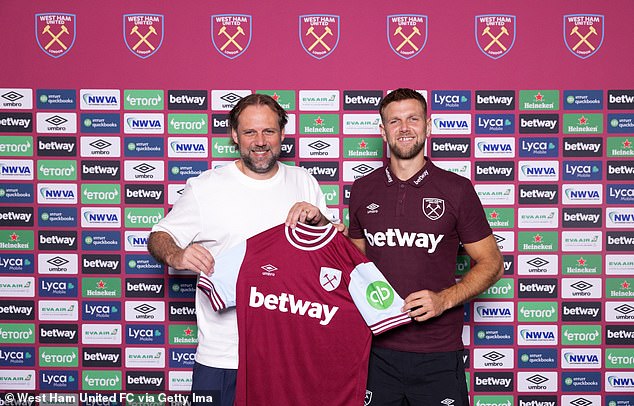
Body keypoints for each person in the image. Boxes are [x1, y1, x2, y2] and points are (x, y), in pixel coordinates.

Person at [147, 93, 337, 406]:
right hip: (224, 356)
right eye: (250, 132)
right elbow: (160, 235)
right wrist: (176, 255)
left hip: (289, 356)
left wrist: (321, 223)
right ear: (235, 136)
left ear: (282, 135)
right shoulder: (207, 186)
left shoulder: (304, 182)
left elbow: (329, 257)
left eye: (269, 132)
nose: (260, 141)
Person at [348, 88, 504, 406]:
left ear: (428, 126)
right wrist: (322, 227)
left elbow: (492, 263)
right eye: (395, 121)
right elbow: (354, 264)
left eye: (413, 119)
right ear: (382, 130)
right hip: (376, 350)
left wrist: (444, 299)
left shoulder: (456, 189)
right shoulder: (363, 189)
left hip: (437, 354)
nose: (404, 128)